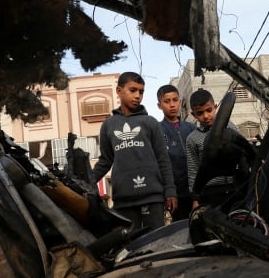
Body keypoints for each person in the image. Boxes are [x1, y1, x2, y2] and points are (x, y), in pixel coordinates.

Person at [92, 72, 177, 229]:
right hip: (123, 199)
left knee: (156, 241)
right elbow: (105, 160)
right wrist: (87, 180)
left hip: (153, 197)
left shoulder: (150, 123)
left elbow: (163, 159)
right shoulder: (108, 125)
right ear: (119, 91)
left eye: (141, 91)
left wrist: (170, 191)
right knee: (131, 247)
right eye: (133, 90)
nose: (138, 95)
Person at [186, 89, 242, 209]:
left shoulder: (229, 126)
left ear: (215, 107)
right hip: (210, 192)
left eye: (209, 110)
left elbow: (242, 154)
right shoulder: (192, 138)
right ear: (193, 114)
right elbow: (193, 169)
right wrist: (196, 198)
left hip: (235, 187)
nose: (206, 116)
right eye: (200, 113)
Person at [156, 84, 195, 221]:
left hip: (195, 191)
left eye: (175, 100)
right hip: (175, 194)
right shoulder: (157, 130)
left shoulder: (191, 127)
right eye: (167, 101)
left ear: (180, 101)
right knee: (182, 229)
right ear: (159, 105)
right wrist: (168, 193)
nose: (172, 105)